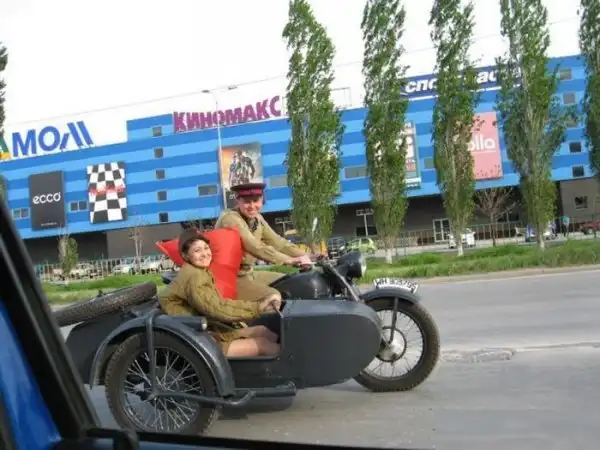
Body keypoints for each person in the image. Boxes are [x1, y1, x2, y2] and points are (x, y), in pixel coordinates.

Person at [159, 228, 281, 357]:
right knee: (262, 345)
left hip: (203, 330)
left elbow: (219, 303)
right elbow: (217, 309)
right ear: (185, 255)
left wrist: (257, 307)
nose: (205, 254)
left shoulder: (199, 271)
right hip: (199, 340)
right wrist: (258, 308)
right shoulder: (194, 277)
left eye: (206, 248)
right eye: (197, 250)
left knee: (262, 331)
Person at [215, 182, 313, 303]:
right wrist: (289, 260)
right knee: (273, 297)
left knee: (292, 282)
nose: (252, 206)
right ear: (238, 201)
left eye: (256, 201)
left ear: (262, 201)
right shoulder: (230, 218)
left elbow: (278, 243)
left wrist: (306, 256)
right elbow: (253, 246)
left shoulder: (257, 219)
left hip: (247, 274)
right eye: (247, 202)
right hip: (229, 279)